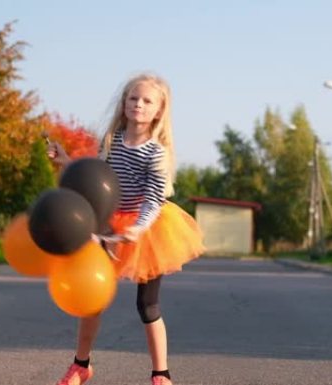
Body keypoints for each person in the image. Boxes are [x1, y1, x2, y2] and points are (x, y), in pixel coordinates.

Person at [47, 73, 204, 385]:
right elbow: (96, 176)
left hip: (148, 230)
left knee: (147, 305)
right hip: (109, 223)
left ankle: (161, 374)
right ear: (124, 103)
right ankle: (81, 365)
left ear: (159, 110)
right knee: (93, 298)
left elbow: (154, 198)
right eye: (133, 98)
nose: (139, 105)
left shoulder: (156, 153)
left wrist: (139, 228)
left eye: (147, 101)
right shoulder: (112, 140)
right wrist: (66, 161)